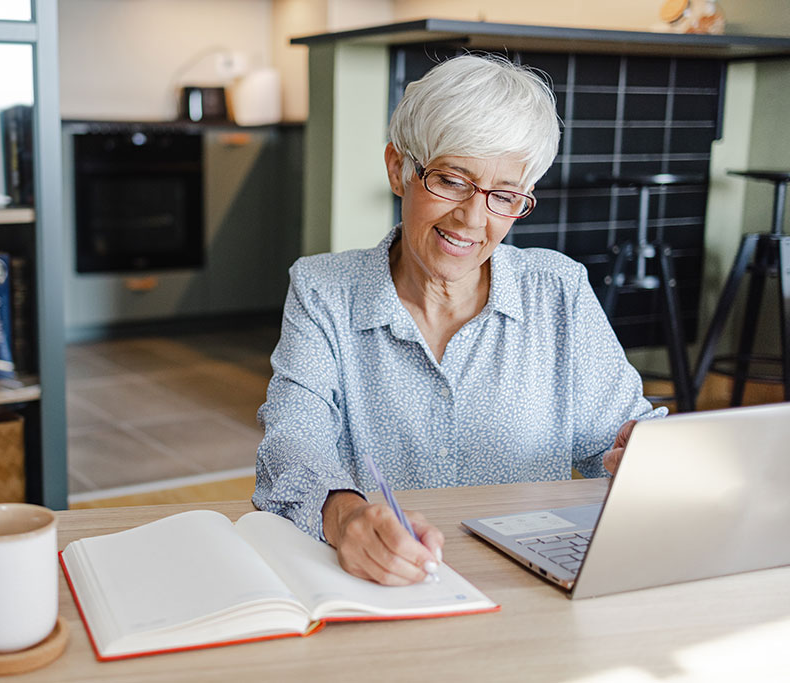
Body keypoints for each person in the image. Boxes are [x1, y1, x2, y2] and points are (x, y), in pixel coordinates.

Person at [252, 54, 665, 587]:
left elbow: (616, 437)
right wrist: (346, 515)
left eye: (505, 196)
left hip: (527, 582)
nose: (473, 217)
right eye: (451, 180)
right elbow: (294, 441)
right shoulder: (323, 290)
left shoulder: (558, 289)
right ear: (398, 169)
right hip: (381, 582)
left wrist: (644, 453)